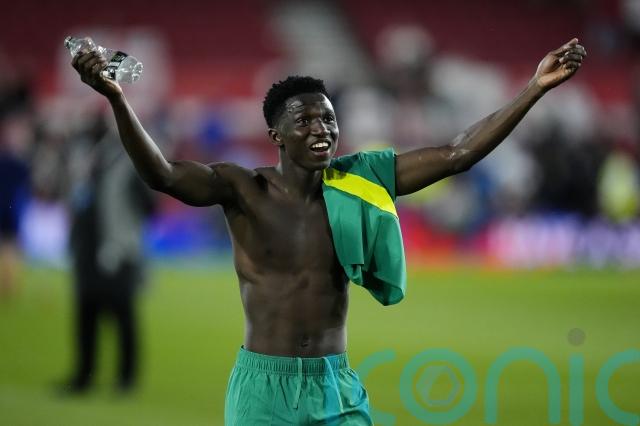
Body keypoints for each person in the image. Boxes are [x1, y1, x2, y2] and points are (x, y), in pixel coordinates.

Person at [71, 38, 586, 424]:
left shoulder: (361, 179)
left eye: (329, 119)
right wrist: (117, 99)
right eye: (305, 121)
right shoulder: (242, 188)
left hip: (334, 386)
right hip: (262, 390)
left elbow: (458, 154)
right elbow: (162, 174)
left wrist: (534, 89)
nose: (322, 130)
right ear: (276, 134)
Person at [60, 113, 155, 394]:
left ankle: (125, 378)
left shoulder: (127, 164)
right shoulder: (81, 163)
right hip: (87, 248)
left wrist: (128, 231)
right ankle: (84, 375)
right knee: (86, 313)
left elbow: (150, 205)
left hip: (117, 248)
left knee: (122, 315)